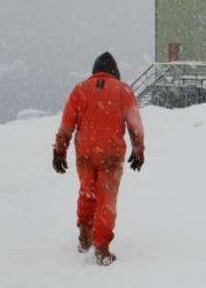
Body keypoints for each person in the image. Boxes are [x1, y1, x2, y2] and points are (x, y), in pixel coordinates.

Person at [52, 52, 145, 266]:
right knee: (106, 200)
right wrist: (138, 149)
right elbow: (135, 125)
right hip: (111, 155)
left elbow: (67, 124)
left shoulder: (81, 89)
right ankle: (102, 248)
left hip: (85, 153)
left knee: (87, 191)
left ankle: (85, 237)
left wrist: (59, 150)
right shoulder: (123, 90)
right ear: (115, 71)